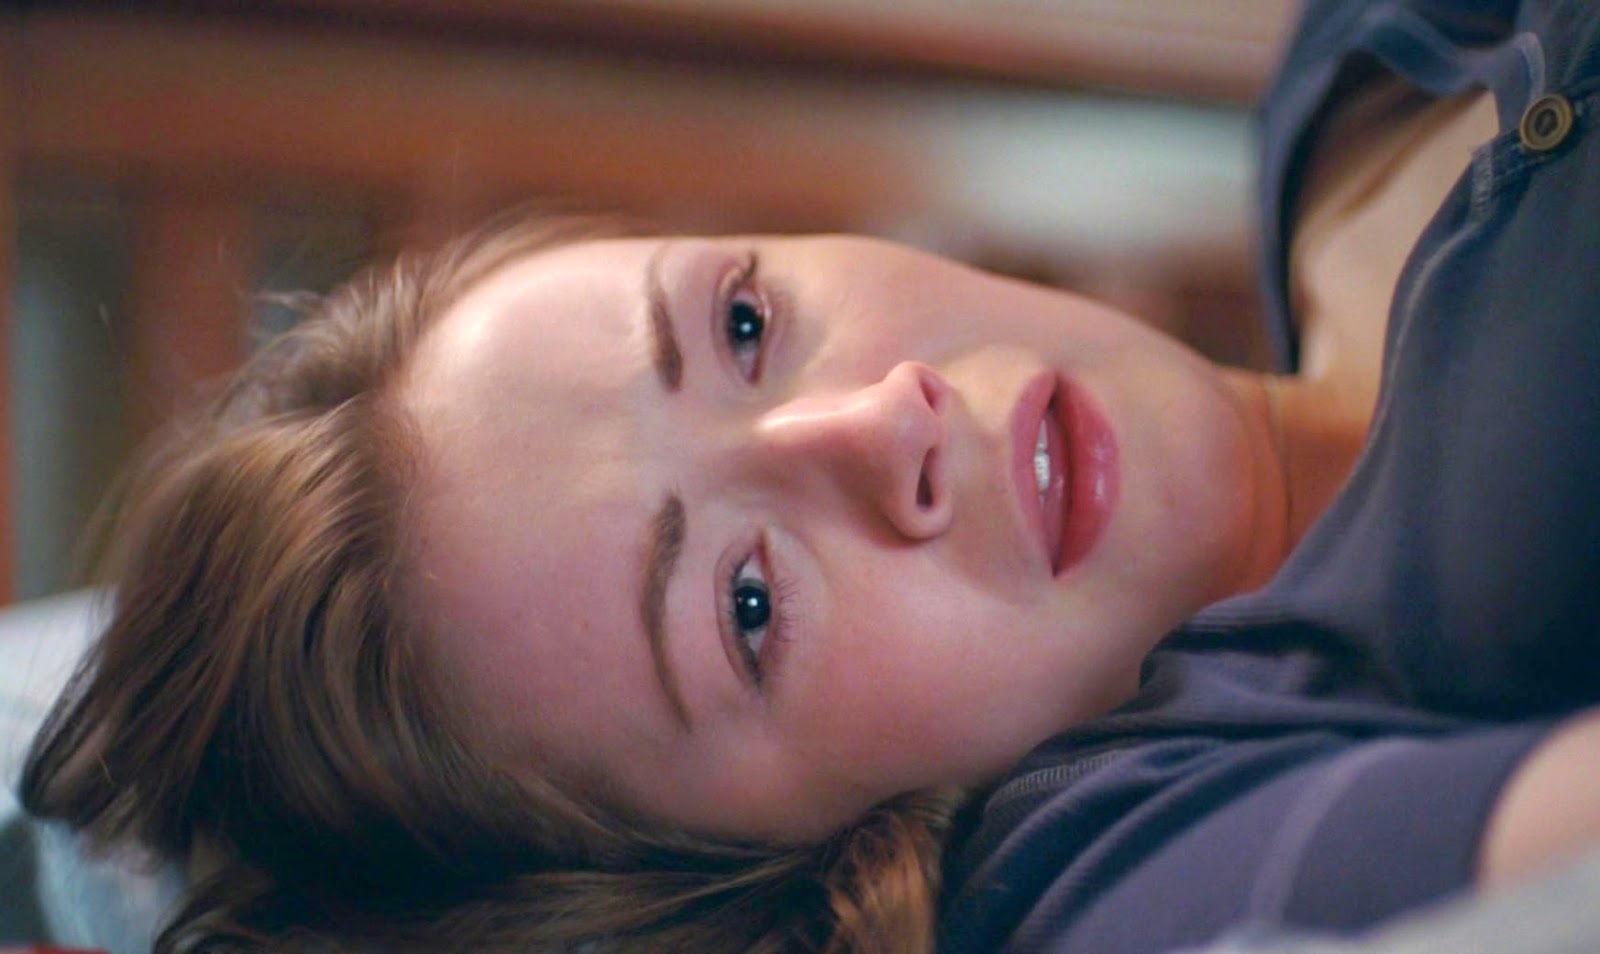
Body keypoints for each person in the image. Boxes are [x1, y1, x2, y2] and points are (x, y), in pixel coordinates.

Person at [12, 0, 1600, 951]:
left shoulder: (1340, 77)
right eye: (750, 608)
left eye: (745, 325)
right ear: (754, 875)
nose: (885, 427)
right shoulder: (1114, 866)